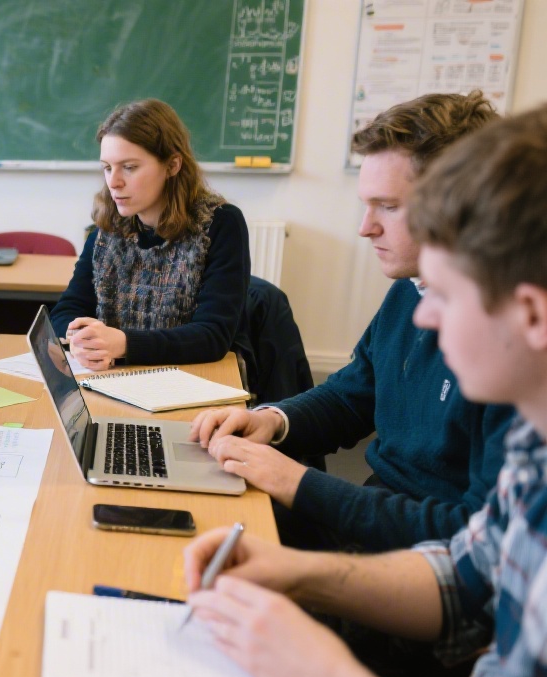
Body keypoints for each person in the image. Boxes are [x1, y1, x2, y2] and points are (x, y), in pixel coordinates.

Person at [184, 104, 547, 677]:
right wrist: (295, 571)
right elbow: (467, 574)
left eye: (448, 294)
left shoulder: (519, 405)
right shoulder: (533, 447)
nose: (425, 316)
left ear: (531, 313)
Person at [190, 91, 515, 553]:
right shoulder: (410, 288)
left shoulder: (513, 349)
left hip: (418, 550)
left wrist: (300, 484)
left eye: (389, 206)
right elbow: (354, 392)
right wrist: (271, 420)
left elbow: (471, 543)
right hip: (373, 509)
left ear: (460, 205)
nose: (365, 228)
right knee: (199, 516)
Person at [51, 99, 251, 371]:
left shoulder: (220, 224)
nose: (114, 182)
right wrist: (81, 340)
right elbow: (65, 311)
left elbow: (213, 336)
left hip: (192, 383)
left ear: (172, 166)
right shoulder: (107, 228)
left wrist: (123, 344)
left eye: (129, 167)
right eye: (107, 167)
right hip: (114, 381)